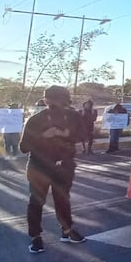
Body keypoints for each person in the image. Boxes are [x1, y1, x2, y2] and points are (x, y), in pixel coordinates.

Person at [20, 85, 86, 253]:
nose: (59, 104)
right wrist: (44, 136)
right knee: (36, 202)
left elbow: (83, 135)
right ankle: (36, 237)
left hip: (64, 166)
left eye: (63, 100)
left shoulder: (73, 116)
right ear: (46, 100)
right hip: (39, 167)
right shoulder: (35, 119)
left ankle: (67, 230)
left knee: (63, 200)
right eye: (55, 100)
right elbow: (23, 147)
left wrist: (66, 135)